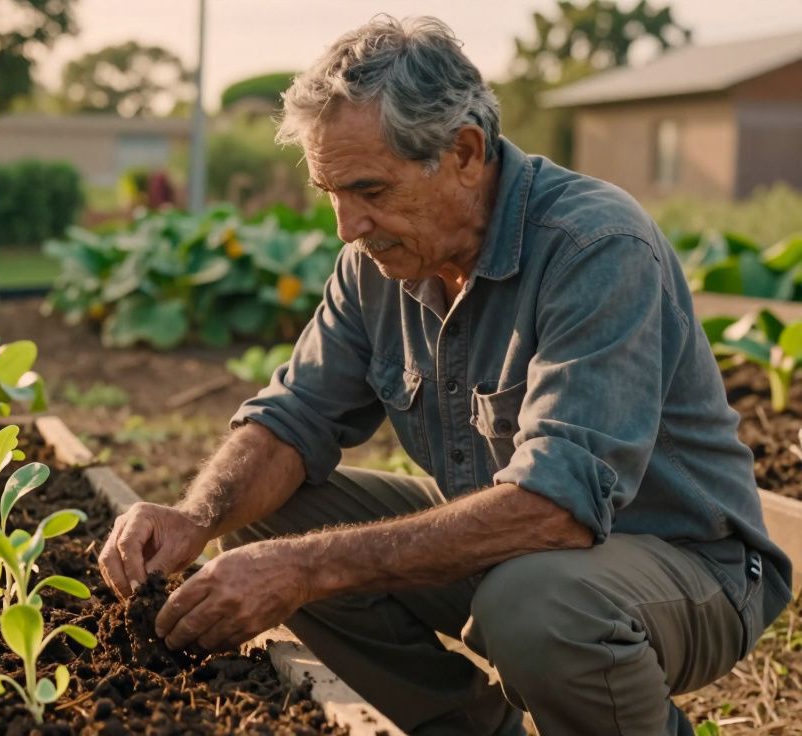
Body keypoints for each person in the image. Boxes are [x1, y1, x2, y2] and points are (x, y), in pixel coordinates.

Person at [97, 15, 791, 736]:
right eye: (329, 191)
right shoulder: (375, 266)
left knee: (534, 608)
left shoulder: (595, 246)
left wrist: (308, 569)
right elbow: (292, 417)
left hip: (687, 565)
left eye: (370, 189)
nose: (347, 227)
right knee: (268, 512)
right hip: (527, 556)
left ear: (464, 152)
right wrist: (195, 517)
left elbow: (556, 508)